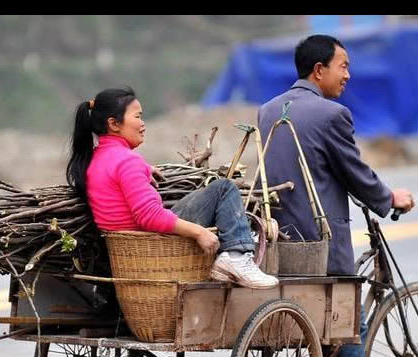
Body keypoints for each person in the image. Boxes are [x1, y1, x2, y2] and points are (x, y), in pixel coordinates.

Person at [257, 35, 415, 357]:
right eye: (342, 66)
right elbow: (354, 171)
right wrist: (390, 197)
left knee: (313, 319)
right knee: (349, 323)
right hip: (321, 241)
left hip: (279, 241)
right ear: (318, 70)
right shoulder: (332, 115)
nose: (348, 75)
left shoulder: (267, 111)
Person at [66, 86, 278, 289]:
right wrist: (199, 233)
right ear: (113, 123)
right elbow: (148, 216)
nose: (143, 124)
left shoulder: (96, 159)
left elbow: (117, 177)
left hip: (129, 249)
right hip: (155, 244)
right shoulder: (126, 162)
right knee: (224, 188)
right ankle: (236, 257)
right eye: (138, 116)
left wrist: (144, 168)